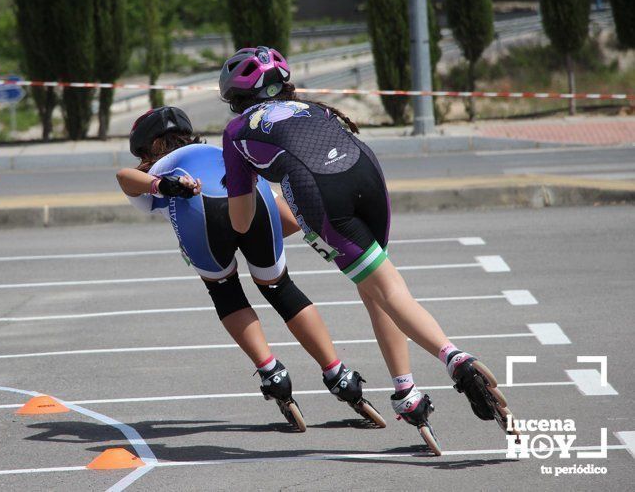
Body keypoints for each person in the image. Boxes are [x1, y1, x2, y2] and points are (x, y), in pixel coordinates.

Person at [218, 46, 515, 454]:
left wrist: (246, 202)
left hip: (319, 192)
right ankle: (406, 392)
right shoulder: (311, 109)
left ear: (235, 98)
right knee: (379, 288)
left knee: (386, 291)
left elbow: (240, 220)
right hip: (365, 170)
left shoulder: (236, 133)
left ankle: (454, 358)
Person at [116, 106, 386, 432]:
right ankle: (339, 375)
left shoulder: (157, 168)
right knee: (280, 288)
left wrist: (162, 186)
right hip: (252, 198)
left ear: (145, 148)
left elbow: (125, 179)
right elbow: (288, 218)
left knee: (226, 292)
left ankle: (272, 372)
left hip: (196, 208)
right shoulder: (219, 151)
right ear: (188, 135)